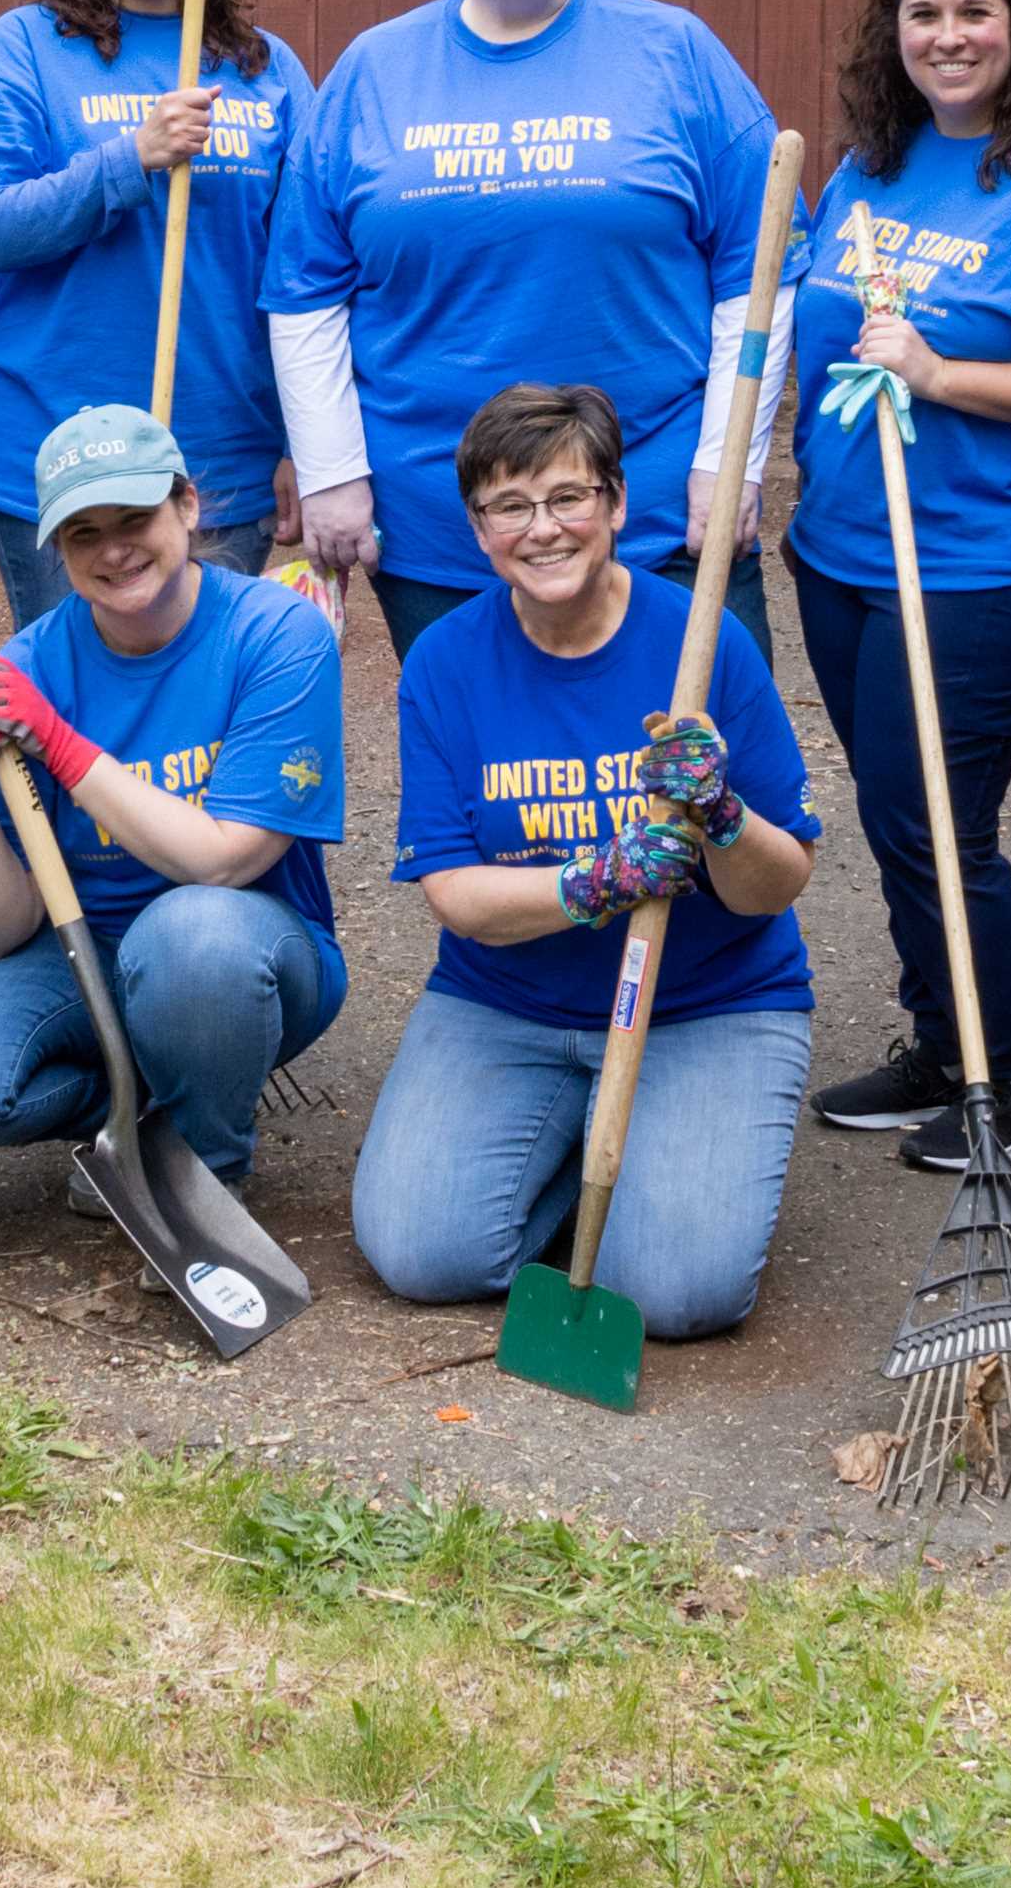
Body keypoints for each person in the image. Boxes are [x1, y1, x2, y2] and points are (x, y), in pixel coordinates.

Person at [350, 384, 820, 1340]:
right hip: (508, 1006)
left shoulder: (701, 644)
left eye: (569, 497)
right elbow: (459, 897)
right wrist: (599, 880)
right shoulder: (446, 663)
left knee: (674, 1296)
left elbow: (782, 882)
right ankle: (565, 1144)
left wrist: (720, 815)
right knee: (422, 1253)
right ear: (479, 528)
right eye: (510, 507)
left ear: (613, 503)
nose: (544, 529)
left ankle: (667, 1145)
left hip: (706, 1007)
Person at [785, 0, 1011, 1175]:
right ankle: (944, 1043)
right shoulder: (869, 169)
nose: (948, 37)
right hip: (843, 548)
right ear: (895, 32)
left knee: (942, 819)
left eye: (973, 12)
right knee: (895, 811)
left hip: (992, 560)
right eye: (924, 14)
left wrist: (938, 370)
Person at [266, 0, 782, 659]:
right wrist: (331, 475)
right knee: (495, 779)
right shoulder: (373, 69)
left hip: (650, 514)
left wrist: (731, 464)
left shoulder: (676, 53)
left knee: (708, 773)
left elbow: (759, 275)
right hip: (442, 525)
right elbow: (305, 293)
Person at [0, 406, 347, 1197]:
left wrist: (57, 742)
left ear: (186, 506)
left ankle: (201, 1161)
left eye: (135, 518)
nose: (115, 550)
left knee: (190, 937)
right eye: (84, 533)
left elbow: (224, 862)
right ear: (56, 546)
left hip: (237, 950)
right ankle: (140, 1109)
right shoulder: (34, 666)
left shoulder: (274, 634)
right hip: (82, 952)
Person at [0, 0, 313, 624]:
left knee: (199, 715)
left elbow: (306, 269)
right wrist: (129, 160)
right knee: (72, 725)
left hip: (219, 458)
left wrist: (301, 444)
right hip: (55, 456)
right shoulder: (25, 49)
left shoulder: (266, 68)